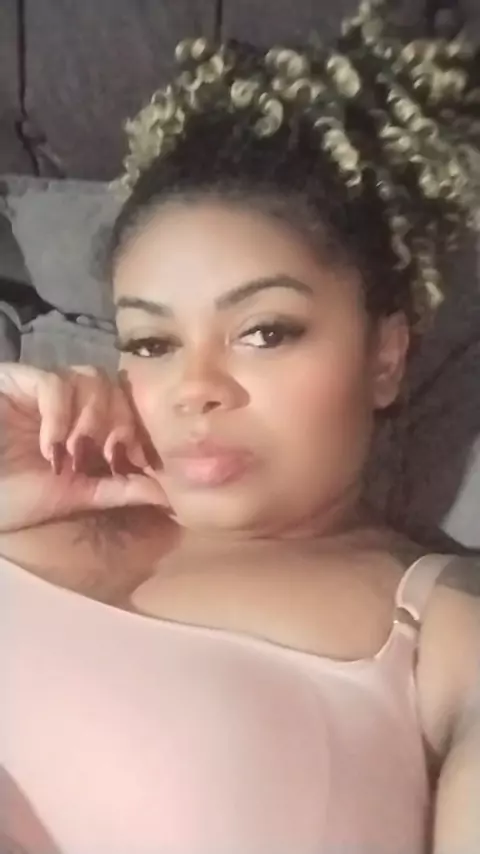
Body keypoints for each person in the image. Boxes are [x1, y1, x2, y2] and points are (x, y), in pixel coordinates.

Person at [1, 1, 480, 851]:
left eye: (265, 331)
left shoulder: (442, 633)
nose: (194, 390)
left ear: (386, 355)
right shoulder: (35, 490)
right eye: (152, 343)